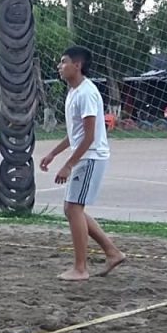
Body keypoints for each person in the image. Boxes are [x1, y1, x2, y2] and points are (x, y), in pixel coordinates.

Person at [40, 46, 125, 281]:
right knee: (73, 209)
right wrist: (53, 154)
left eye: (63, 61)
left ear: (77, 65)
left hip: (91, 157)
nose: (59, 66)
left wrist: (68, 165)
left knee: (73, 209)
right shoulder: (74, 92)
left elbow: (89, 137)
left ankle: (80, 268)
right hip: (85, 156)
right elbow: (75, 134)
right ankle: (112, 252)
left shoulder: (86, 93)